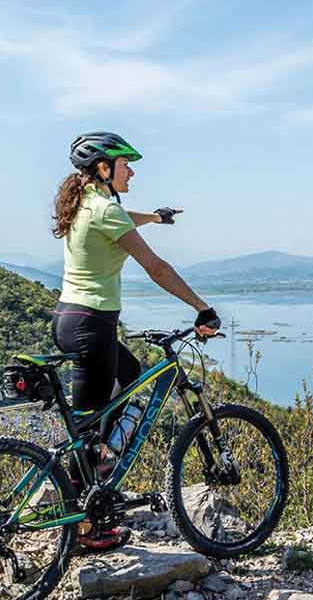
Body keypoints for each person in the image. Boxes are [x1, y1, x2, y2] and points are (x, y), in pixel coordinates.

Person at [51, 131, 220, 550]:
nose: (132, 172)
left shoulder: (86, 202)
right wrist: (202, 308)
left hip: (74, 319)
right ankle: (84, 530)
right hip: (92, 326)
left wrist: (157, 218)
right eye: (125, 165)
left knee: (131, 376)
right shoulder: (105, 209)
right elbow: (156, 268)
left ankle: (101, 464)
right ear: (103, 168)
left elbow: (123, 219)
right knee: (86, 432)